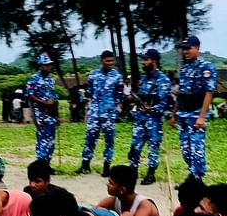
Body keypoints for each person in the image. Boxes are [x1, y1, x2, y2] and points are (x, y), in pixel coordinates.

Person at [171, 36, 216, 180]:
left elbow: (209, 92)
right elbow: (181, 93)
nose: (185, 52)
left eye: (188, 48)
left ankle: (198, 180)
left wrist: (202, 116)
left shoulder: (206, 68)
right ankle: (193, 176)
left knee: (197, 149)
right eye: (184, 49)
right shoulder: (184, 69)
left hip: (196, 113)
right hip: (183, 113)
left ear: (197, 48)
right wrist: (174, 114)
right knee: (186, 150)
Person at [127, 49, 172, 185]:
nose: (143, 62)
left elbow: (165, 103)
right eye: (143, 60)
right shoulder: (143, 79)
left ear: (154, 61)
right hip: (140, 119)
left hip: (154, 120)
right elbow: (140, 96)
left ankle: (151, 174)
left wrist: (152, 109)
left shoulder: (163, 80)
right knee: (135, 146)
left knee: (153, 147)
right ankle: (133, 171)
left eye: (146, 60)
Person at [76, 50, 124, 177]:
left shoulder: (117, 76)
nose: (110, 63)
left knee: (109, 139)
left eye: (112, 61)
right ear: (101, 61)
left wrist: (117, 109)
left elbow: (119, 95)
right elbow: (89, 91)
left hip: (109, 112)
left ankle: (107, 166)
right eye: (107, 61)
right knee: (90, 137)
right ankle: (85, 164)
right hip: (95, 111)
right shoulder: (93, 75)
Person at [27, 53, 59, 169]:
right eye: (46, 65)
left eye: (50, 65)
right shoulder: (34, 79)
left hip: (51, 114)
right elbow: (30, 95)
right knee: (42, 142)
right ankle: (41, 167)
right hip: (41, 114)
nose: (49, 67)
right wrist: (43, 102)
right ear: (40, 66)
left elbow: (54, 99)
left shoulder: (51, 80)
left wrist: (57, 115)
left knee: (51, 142)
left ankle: (48, 165)